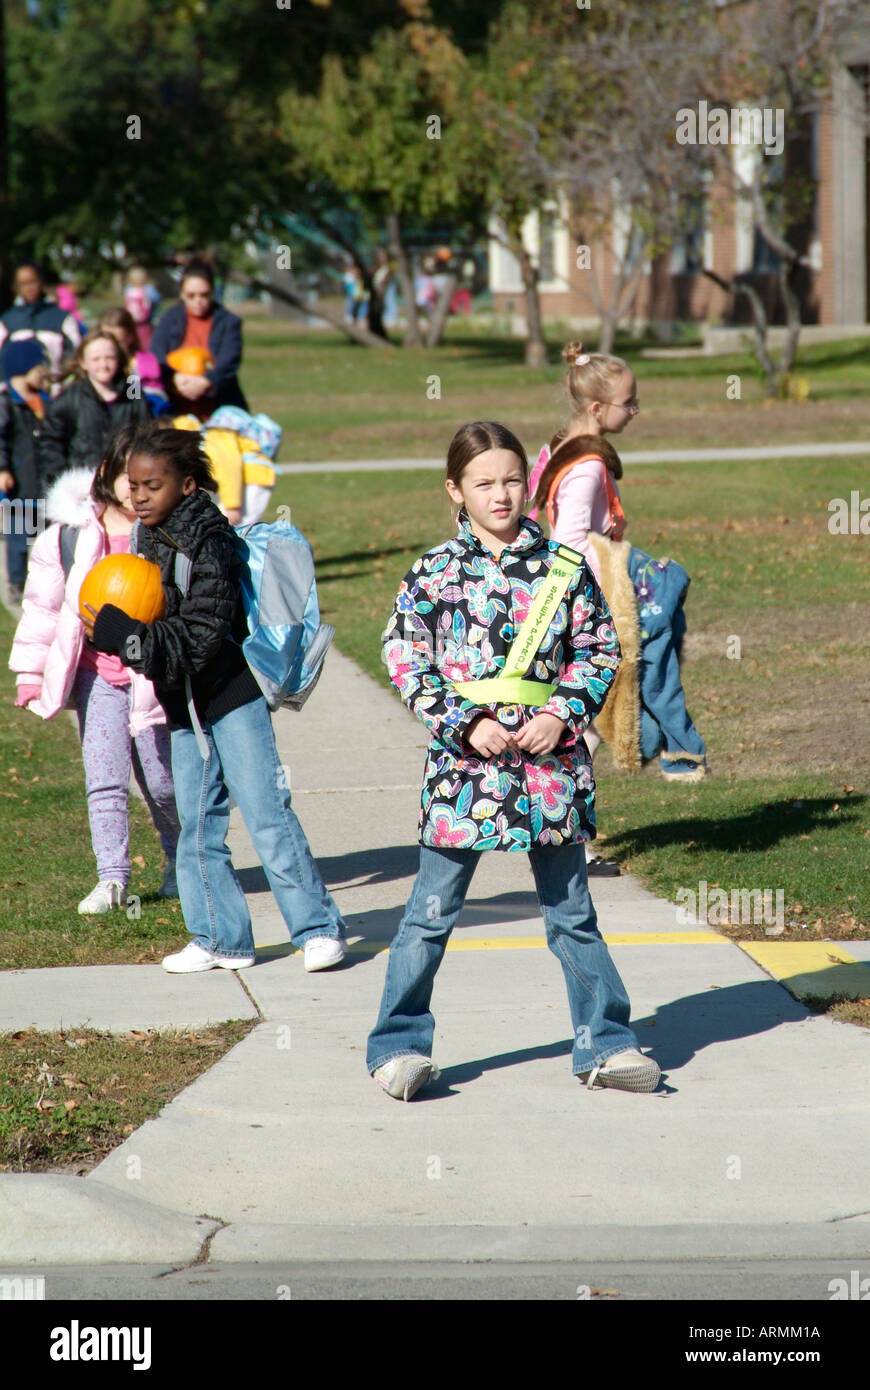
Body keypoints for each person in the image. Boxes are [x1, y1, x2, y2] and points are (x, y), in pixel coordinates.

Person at [366, 419, 660, 1101]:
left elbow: (597, 649)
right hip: (463, 771)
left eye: (508, 481)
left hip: (548, 768)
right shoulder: (433, 573)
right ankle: (398, 1047)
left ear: (526, 485)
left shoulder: (562, 567)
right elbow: (403, 655)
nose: (499, 496)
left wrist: (563, 713)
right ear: (455, 491)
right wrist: (461, 722)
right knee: (430, 912)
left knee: (572, 913)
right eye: (482, 483)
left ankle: (606, 1043)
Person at [86, 423, 346, 975]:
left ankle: (318, 929)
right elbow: (148, 627)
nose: (137, 496)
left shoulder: (211, 539)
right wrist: (111, 632)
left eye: (151, 485)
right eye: (132, 485)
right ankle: (219, 939)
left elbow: (202, 636)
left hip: (232, 698)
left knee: (267, 814)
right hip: (183, 707)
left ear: (185, 484)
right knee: (198, 826)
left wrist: (128, 637)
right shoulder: (145, 539)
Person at [9, 427, 180, 913]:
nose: (134, 488)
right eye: (125, 476)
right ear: (106, 474)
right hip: (94, 672)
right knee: (104, 778)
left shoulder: (165, 531)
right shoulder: (69, 536)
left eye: (144, 479)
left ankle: (179, 860)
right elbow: (42, 609)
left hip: (152, 674)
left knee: (161, 780)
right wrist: (30, 672)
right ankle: (112, 879)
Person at [528, 341, 709, 787]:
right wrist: (612, 591)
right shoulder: (588, 466)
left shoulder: (559, 446)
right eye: (628, 404)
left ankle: (569, 812)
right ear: (596, 407)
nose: (635, 410)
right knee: (642, 667)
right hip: (599, 592)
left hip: (587, 589)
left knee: (595, 709)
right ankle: (675, 752)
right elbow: (569, 542)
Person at [39, 331, 152, 488]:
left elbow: (146, 434)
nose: (103, 365)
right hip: (83, 485)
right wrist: (59, 481)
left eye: (110, 358)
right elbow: (51, 444)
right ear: (83, 363)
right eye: (96, 359)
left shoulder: (133, 393)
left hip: (125, 483)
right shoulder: (68, 399)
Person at [151, 258, 248, 420]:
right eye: (191, 295)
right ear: (182, 293)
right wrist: (174, 378)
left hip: (218, 409)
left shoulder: (228, 321)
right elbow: (156, 354)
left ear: (213, 291)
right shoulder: (169, 319)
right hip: (175, 409)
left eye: (204, 294)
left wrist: (207, 381)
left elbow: (229, 359)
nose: (198, 301)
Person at [0, 339, 51, 602]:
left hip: (39, 480)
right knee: (19, 537)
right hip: (19, 481)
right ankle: (17, 583)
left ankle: (41, 581)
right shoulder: (7, 402)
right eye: (40, 366)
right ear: (24, 368)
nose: (45, 372)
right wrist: (3, 468)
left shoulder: (41, 401)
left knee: (42, 536)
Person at [0, 261, 82, 388]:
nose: (29, 288)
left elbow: (75, 354)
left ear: (41, 281)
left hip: (56, 389)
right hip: (17, 395)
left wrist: (61, 379)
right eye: (23, 284)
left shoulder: (62, 317)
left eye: (32, 282)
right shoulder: (7, 320)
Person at [96, 307, 169, 415]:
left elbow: (134, 399)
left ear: (130, 337)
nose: (113, 348)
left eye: (119, 342)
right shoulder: (93, 364)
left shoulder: (134, 367)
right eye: (107, 341)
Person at [124, 267, 161, 351]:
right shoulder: (129, 289)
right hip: (134, 322)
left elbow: (156, 301)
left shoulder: (148, 290)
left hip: (144, 322)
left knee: (145, 342)